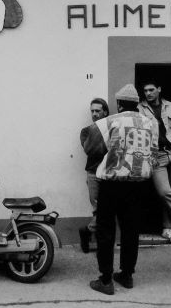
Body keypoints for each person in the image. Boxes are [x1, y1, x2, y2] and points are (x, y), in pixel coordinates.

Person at [84, 84, 158, 295]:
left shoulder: (109, 121)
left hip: (112, 185)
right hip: (138, 186)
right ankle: (127, 275)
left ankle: (106, 280)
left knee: (106, 231)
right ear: (136, 104)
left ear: (118, 104)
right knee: (130, 231)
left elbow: (91, 148)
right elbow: (154, 153)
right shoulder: (151, 123)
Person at [138, 79, 171, 245]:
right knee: (164, 192)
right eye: (145, 90)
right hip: (156, 155)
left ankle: (168, 229)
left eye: (151, 89)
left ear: (159, 89)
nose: (148, 93)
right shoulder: (140, 108)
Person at [79, 98, 110, 253]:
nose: (94, 114)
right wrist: (97, 129)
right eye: (92, 111)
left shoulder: (113, 128)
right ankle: (97, 241)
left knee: (106, 209)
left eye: (98, 111)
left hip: (109, 174)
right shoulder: (86, 130)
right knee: (98, 208)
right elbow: (90, 150)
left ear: (105, 111)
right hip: (93, 172)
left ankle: (87, 231)